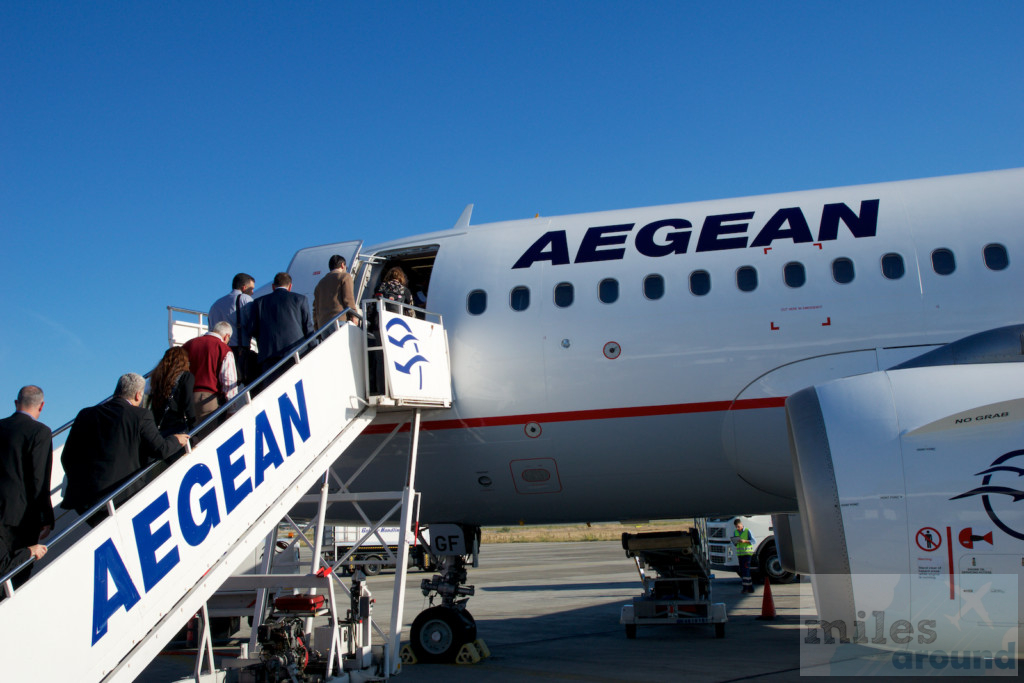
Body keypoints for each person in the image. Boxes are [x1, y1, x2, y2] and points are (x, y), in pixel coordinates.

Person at [60, 373, 189, 525]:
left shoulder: (85, 414)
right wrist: (176, 439)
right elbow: (160, 449)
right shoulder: (140, 415)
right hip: (122, 496)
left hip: (86, 501)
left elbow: (67, 457)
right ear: (138, 394)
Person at [0, 386, 54, 586]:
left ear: (16, 403)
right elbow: (39, 478)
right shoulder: (40, 432)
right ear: (42, 406)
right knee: (18, 576)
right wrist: (46, 517)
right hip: (22, 519)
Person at [246, 272, 315, 379]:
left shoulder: (259, 302)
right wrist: (313, 346)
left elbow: (252, 329)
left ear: (273, 286)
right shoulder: (300, 299)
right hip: (296, 352)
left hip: (269, 355)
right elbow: (308, 327)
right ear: (290, 286)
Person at [182, 320, 239, 422]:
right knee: (208, 434)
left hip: (185, 398)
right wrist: (232, 409)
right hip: (208, 399)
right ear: (226, 336)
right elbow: (229, 382)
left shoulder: (188, 344)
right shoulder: (224, 349)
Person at [209, 273, 257, 385]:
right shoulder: (245, 299)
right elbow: (253, 324)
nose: (253, 292)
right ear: (244, 288)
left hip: (219, 352)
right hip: (239, 352)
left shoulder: (216, 305)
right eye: (251, 288)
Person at [149, 347, 197, 437]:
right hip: (176, 427)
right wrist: (193, 428)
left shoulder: (157, 377)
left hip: (159, 427)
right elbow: (188, 403)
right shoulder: (186, 377)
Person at [313, 254, 360, 329]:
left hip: (323, 325)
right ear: (342, 265)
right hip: (339, 321)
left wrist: (316, 327)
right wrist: (354, 316)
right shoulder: (345, 277)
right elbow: (348, 299)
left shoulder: (320, 284)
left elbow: (316, 308)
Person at [732, 517, 756, 593]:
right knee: (743, 571)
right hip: (740, 554)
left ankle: (746, 588)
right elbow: (735, 543)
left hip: (747, 554)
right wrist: (735, 542)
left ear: (741, 524)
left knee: (746, 571)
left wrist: (744, 541)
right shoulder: (735, 532)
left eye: (738, 526)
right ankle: (750, 587)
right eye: (736, 527)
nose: (737, 528)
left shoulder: (747, 531)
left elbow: (753, 541)